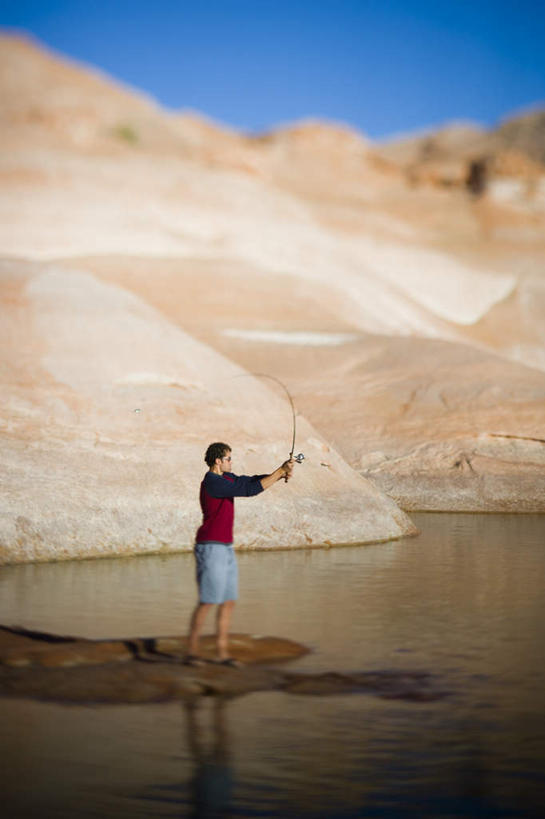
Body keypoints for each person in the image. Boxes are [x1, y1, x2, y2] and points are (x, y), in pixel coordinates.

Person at [185, 442, 293, 667]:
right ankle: (192, 652)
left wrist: (279, 472)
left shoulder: (227, 479)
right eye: (228, 459)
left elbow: (250, 481)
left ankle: (222, 654)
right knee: (208, 602)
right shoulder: (212, 482)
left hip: (225, 546)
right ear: (218, 461)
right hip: (210, 546)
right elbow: (249, 491)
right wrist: (280, 472)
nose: (231, 462)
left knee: (228, 601)